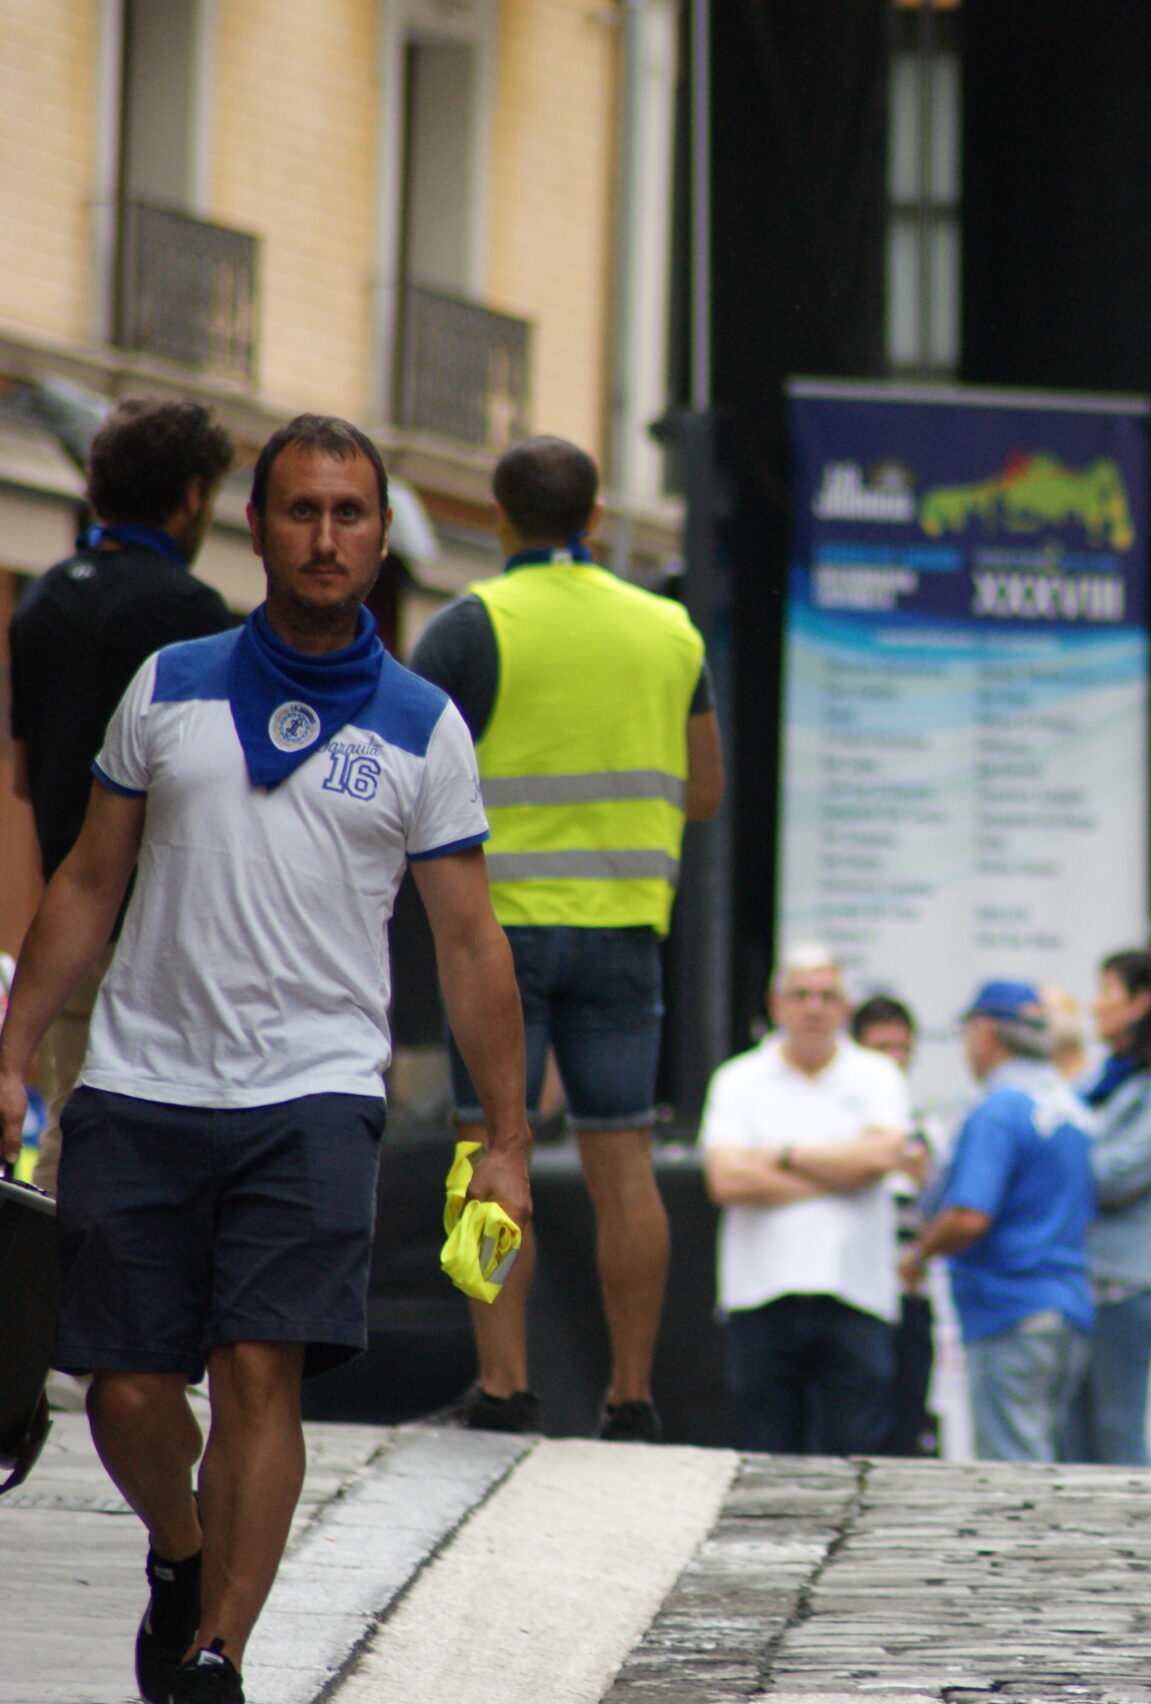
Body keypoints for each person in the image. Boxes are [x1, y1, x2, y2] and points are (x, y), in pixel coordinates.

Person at [0, 415, 532, 1704]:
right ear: (257, 528)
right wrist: (13, 1050)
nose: (327, 536)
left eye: (351, 514)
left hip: (315, 1095)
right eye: (302, 511)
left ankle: (219, 1655)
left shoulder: (422, 725)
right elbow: (87, 877)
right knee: (126, 1393)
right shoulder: (169, 681)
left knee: (257, 1373)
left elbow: (468, 943)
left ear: (384, 534)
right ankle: (182, 1558)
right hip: (140, 1080)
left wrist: (502, 1137)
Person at [409, 434, 723, 1442]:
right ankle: (631, 1396)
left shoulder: (470, 625)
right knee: (622, 1168)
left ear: (499, 516)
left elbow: (410, 775)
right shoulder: (669, 629)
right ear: (594, 519)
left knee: (488, 1148)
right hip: (625, 931)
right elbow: (705, 789)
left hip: (497, 939)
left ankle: (505, 1387)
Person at [9, 397, 238, 1194]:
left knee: (73, 1134)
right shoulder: (192, 618)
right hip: (172, 935)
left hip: (67, 922)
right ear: (192, 496)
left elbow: (21, 775)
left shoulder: (39, 602)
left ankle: (47, 1310)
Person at [699, 945, 915, 1455]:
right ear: (776, 1004)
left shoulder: (878, 1075)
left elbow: (883, 1157)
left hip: (857, 1294)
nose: (813, 1008)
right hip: (760, 1293)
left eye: (827, 996)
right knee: (767, 1456)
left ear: (845, 1007)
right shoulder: (737, 1079)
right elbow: (725, 1181)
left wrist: (783, 1154)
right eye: (800, 996)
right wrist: (842, 1173)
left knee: (857, 1455)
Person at [899, 980, 1094, 1463]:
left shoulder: (998, 1111)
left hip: (1011, 1308)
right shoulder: (1071, 1111)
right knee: (1047, 1458)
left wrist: (918, 1253)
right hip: (1067, 1306)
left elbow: (969, 1217)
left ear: (986, 1032)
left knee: (1015, 1472)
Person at [1058, 946, 1151, 1465]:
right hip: (1070, 1282)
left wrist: (1049, 1171)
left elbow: (1117, 1176)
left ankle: (1133, 1548)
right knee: (1065, 1448)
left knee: (1117, 1442)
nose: (1094, 1005)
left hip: (1122, 1286)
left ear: (1141, 1002)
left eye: (1106, 992)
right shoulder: (1091, 1083)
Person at [852, 991, 940, 1454]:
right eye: (881, 1048)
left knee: (906, 1424)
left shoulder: (923, 1125)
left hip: (909, 1294)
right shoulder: (837, 1119)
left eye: (902, 1049)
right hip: (852, 1296)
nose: (894, 1060)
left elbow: (945, 1204)